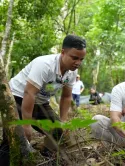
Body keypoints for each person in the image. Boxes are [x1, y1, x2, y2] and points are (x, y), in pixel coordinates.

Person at [0, 34, 86, 162]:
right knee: (16, 138)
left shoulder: (72, 71)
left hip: (40, 102)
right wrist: (26, 125)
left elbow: (66, 97)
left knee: (57, 131)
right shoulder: (44, 64)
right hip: (18, 97)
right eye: (74, 58)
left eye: (81, 59)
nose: (78, 63)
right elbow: (29, 93)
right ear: (63, 52)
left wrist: (63, 120)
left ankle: (44, 159)